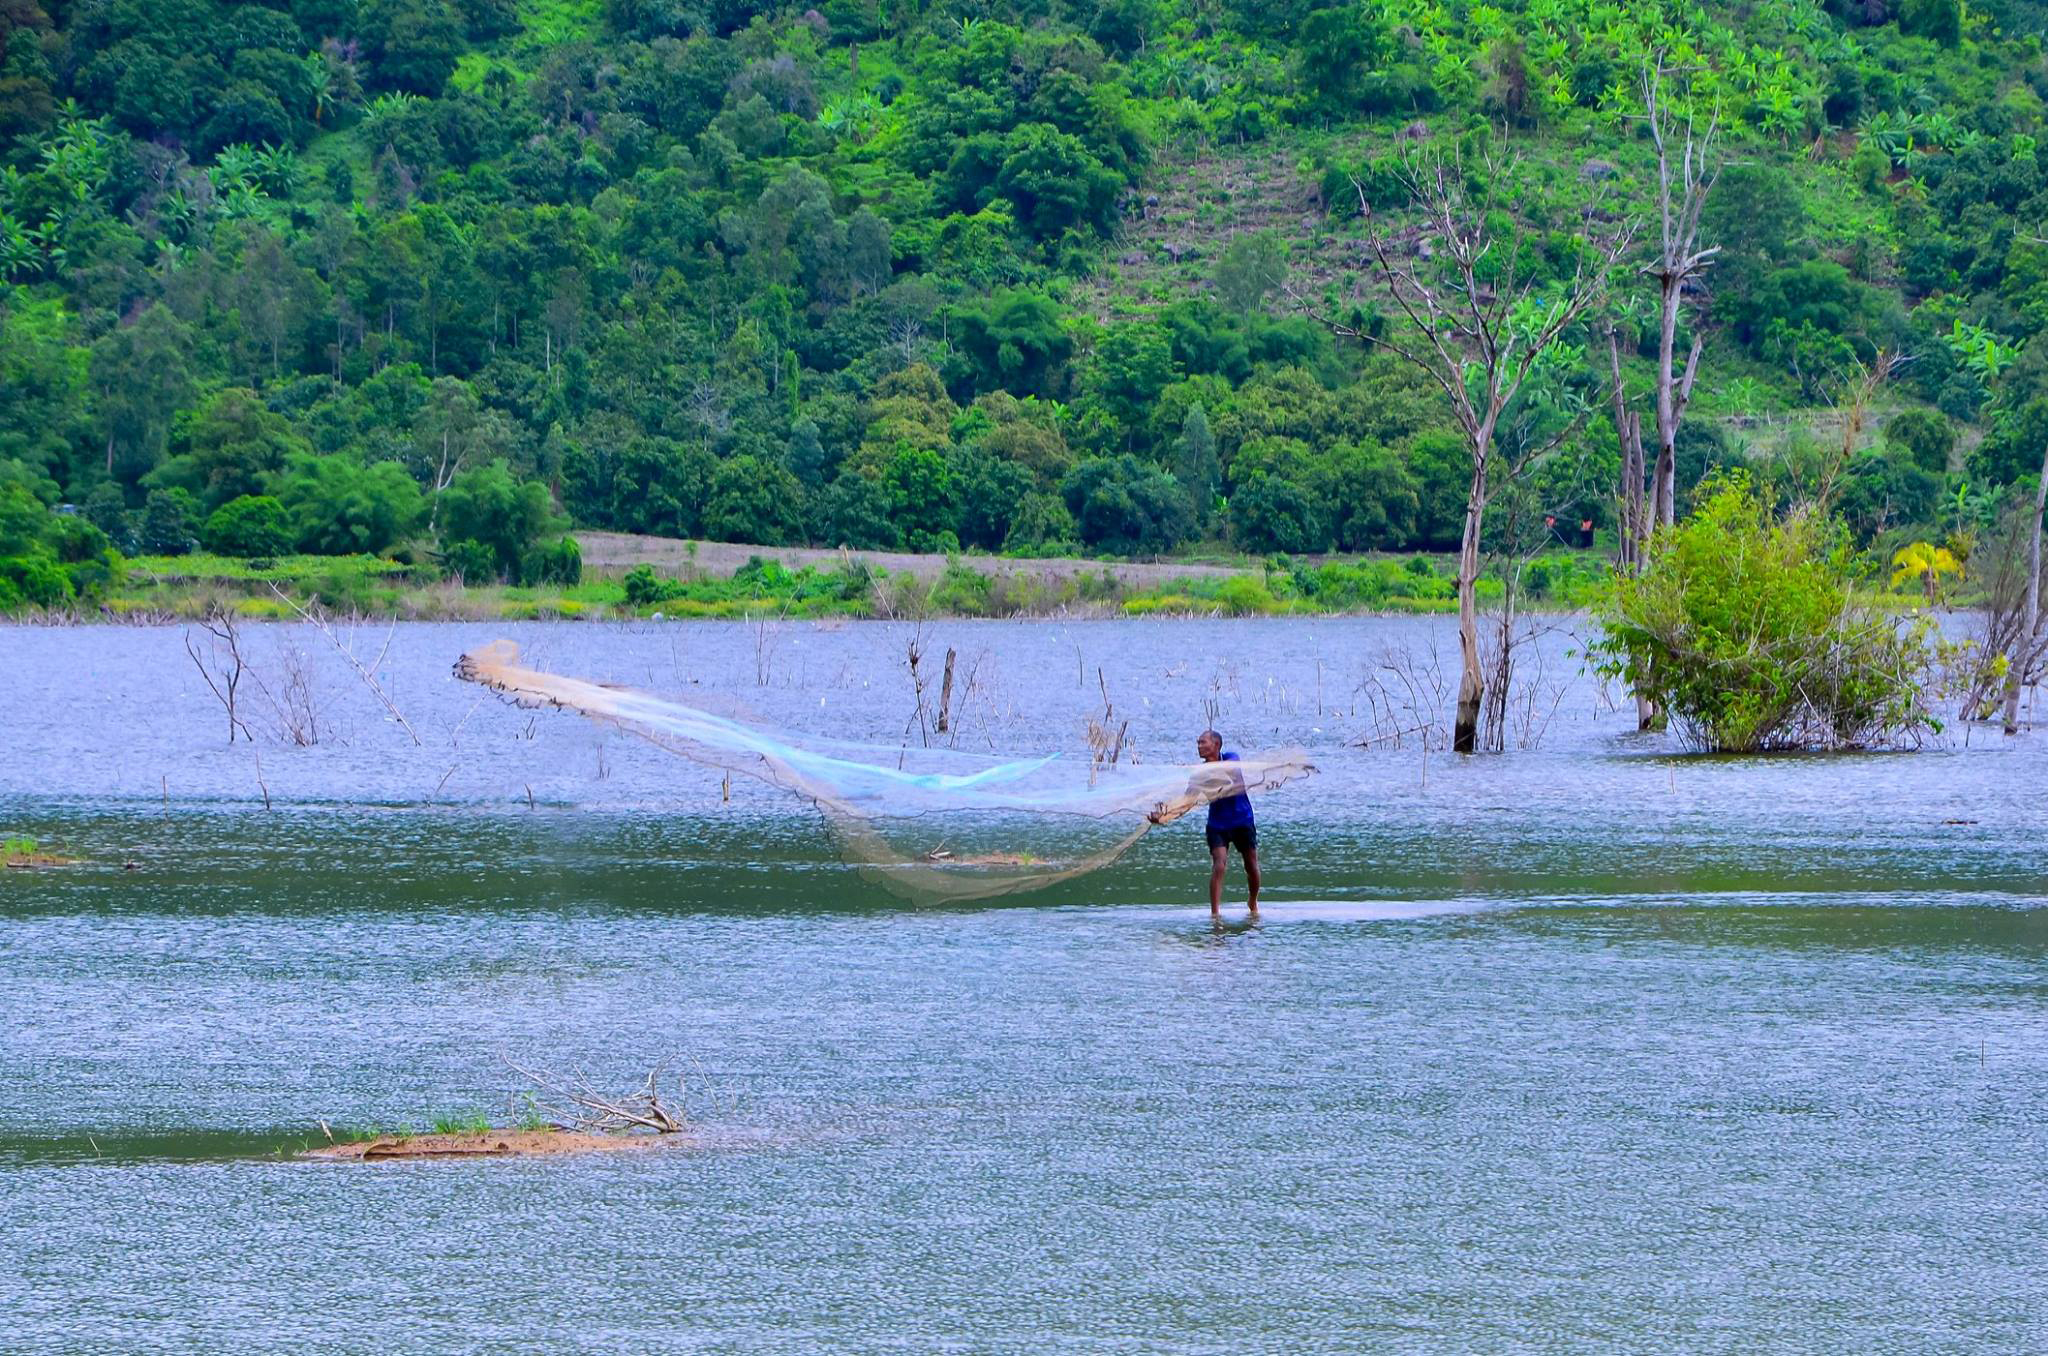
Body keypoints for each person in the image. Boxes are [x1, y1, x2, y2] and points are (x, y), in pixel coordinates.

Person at [1151, 729, 1260, 916]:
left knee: (1250, 864)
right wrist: (1164, 815)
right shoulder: (1198, 774)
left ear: (1216, 745)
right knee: (1219, 863)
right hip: (1217, 824)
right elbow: (1187, 801)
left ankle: (1253, 900)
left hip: (1242, 819)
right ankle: (1215, 913)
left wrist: (1205, 773)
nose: (1199, 746)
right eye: (1198, 743)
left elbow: (1227, 772)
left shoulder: (1231, 758)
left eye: (1203, 742)